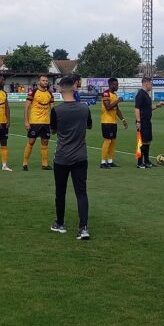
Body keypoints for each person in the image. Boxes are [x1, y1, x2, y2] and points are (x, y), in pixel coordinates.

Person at [49, 76, 93, 240]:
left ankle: (60, 223)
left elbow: (53, 130)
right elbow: (88, 125)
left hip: (62, 157)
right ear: (74, 88)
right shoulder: (84, 108)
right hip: (80, 156)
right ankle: (83, 228)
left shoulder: (56, 110)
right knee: (81, 193)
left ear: (61, 89)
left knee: (60, 192)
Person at [22, 75, 54, 171]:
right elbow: (26, 107)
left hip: (46, 122)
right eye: (43, 80)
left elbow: (53, 109)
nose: (45, 82)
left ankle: (45, 164)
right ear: (39, 81)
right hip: (34, 122)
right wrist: (26, 121)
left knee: (45, 143)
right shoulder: (33, 92)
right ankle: (25, 164)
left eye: (46, 81)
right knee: (31, 142)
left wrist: (53, 123)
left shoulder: (50, 94)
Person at [99, 78, 128, 168]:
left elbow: (116, 109)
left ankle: (110, 161)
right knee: (108, 140)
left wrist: (123, 120)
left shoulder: (114, 95)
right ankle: (103, 162)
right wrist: (117, 101)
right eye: (116, 84)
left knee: (113, 141)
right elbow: (108, 107)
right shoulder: (106, 94)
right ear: (111, 85)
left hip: (113, 122)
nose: (117, 86)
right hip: (106, 121)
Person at [134, 77, 162, 168]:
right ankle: (139, 162)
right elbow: (137, 108)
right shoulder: (140, 94)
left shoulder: (146, 94)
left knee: (147, 141)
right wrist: (138, 121)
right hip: (142, 121)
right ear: (146, 83)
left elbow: (148, 108)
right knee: (141, 141)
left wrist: (157, 106)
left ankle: (146, 161)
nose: (151, 85)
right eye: (151, 83)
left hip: (147, 121)